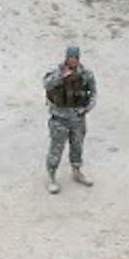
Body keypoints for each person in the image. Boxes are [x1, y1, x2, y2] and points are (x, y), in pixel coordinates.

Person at [43, 45, 96, 194]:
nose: (73, 61)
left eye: (75, 58)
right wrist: (61, 76)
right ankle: (52, 176)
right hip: (59, 119)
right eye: (70, 58)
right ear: (66, 58)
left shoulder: (86, 74)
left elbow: (93, 94)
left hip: (78, 119)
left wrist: (86, 109)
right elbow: (46, 84)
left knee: (77, 147)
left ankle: (77, 171)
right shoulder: (56, 72)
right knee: (56, 149)